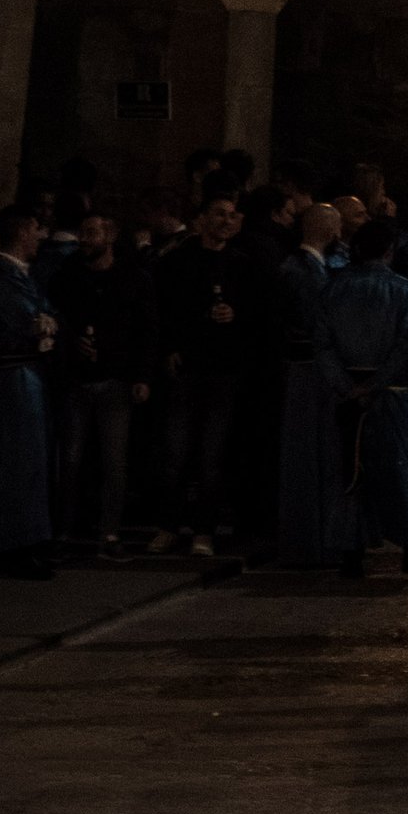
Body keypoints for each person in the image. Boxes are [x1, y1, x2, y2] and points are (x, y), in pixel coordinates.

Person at [150, 194, 264, 556]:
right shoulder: (179, 262)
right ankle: (168, 525)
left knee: (211, 455)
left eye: (232, 215)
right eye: (219, 214)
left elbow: (257, 315)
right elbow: (162, 309)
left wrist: (237, 315)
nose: (226, 221)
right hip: (188, 367)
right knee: (175, 451)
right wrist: (169, 348)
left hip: (224, 371)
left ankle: (203, 531)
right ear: (202, 220)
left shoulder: (242, 265)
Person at [317, 221, 408, 576]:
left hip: (346, 392)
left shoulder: (332, 289)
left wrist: (346, 384)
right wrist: (376, 382)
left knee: (351, 470)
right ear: (389, 251)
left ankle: (351, 554)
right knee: (399, 470)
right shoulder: (405, 290)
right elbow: (406, 343)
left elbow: (322, 343)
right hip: (389, 392)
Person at [48, 214, 155, 559]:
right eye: (82, 232)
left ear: (109, 237)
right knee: (72, 459)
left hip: (115, 379)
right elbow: (58, 316)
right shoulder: (69, 276)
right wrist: (70, 343)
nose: (84, 239)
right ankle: (64, 529)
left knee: (113, 460)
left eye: (92, 233)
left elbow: (146, 329)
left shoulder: (132, 278)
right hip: (78, 380)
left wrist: (142, 376)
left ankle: (108, 531)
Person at [0, 206, 60, 578]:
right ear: (24, 229)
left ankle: (29, 539)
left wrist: (44, 322)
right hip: (15, 377)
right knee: (17, 459)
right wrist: (39, 326)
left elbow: (47, 315)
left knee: (31, 459)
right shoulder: (4, 276)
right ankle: (14, 543)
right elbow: (31, 320)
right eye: (38, 229)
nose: (42, 237)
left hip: (27, 375)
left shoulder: (19, 275)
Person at [275, 200, 344, 569]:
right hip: (306, 369)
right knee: (308, 454)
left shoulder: (308, 268)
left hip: (312, 366)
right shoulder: (299, 271)